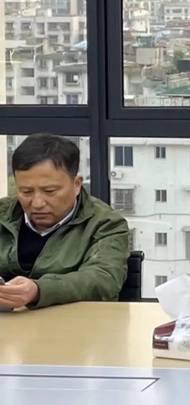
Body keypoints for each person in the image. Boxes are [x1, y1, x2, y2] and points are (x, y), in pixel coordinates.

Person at [0, 133, 130, 310]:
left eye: (50, 191)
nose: (37, 203)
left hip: (77, 322)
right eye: (26, 192)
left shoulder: (106, 223)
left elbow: (103, 280)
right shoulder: (3, 213)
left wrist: (39, 290)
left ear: (76, 184)